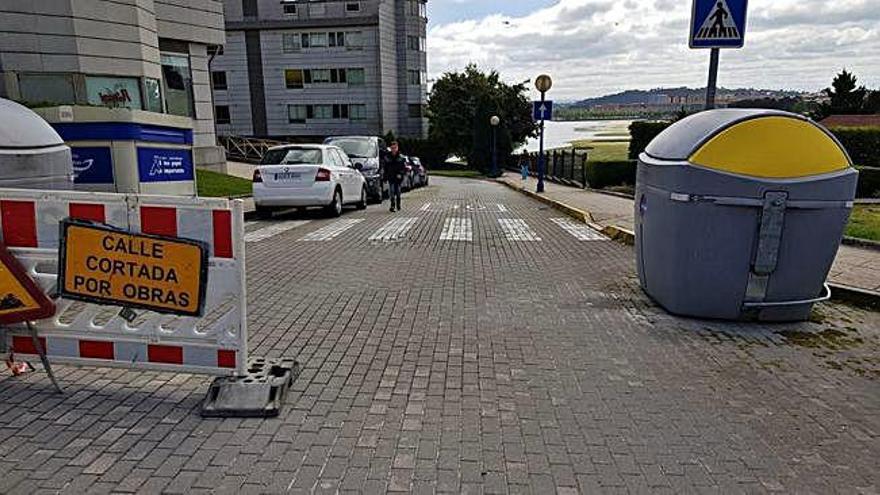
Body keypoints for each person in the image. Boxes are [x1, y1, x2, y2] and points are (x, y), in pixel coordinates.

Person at [383, 141, 407, 212]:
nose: (394, 149)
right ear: (390, 148)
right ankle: (392, 205)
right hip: (391, 177)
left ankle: (398, 204)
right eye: (392, 148)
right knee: (392, 191)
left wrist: (401, 174)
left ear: (397, 148)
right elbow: (385, 168)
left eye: (395, 148)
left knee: (398, 192)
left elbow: (403, 168)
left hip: (398, 178)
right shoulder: (387, 157)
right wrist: (385, 177)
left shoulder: (401, 157)